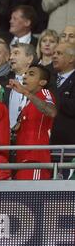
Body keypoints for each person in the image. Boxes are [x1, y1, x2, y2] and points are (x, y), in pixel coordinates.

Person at [7, 64, 57, 180]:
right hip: (21, 162)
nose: (25, 77)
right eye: (25, 74)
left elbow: (52, 111)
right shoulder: (28, 104)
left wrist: (26, 93)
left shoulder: (44, 93)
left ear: (42, 82)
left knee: (31, 198)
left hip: (36, 160)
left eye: (31, 74)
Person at [50, 43, 75, 178]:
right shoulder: (50, 79)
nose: (54, 56)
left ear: (71, 58)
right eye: (54, 53)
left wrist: (51, 97)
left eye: (59, 53)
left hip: (68, 148)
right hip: (48, 146)